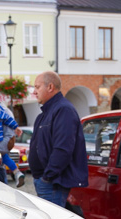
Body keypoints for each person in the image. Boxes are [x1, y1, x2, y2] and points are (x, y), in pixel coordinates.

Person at [28, 70, 89, 207]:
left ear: (50, 87)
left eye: (37, 87)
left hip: (53, 183)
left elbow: (63, 149)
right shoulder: (45, 113)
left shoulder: (64, 110)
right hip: (44, 181)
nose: (34, 92)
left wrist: (47, 177)